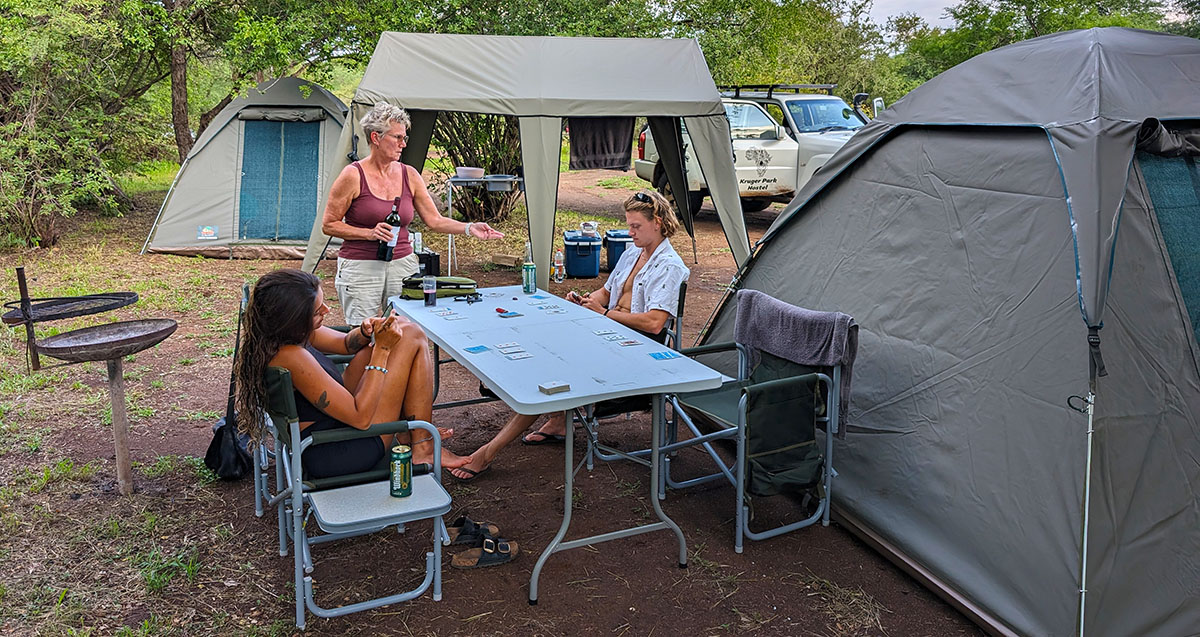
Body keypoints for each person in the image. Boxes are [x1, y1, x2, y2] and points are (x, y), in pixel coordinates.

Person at [450, 191, 689, 480]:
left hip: (636, 349)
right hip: (607, 332)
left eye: (636, 226)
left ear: (658, 223)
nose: (630, 232)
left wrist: (603, 314)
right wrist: (586, 300)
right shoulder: (631, 253)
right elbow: (606, 293)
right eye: (628, 225)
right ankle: (556, 419)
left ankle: (489, 451)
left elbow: (654, 323)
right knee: (541, 336)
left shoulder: (670, 266)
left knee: (551, 370)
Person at [234, 269, 468, 477]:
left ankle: (415, 437)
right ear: (293, 319)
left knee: (405, 328)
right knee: (412, 336)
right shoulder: (291, 356)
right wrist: (382, 349)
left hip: (337, 421)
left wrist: (366, 332)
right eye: (317, 311)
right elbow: (360, 417)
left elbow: (346, 344)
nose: (326, 309)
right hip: (339, 449)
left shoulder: (283, 335)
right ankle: (422, 446)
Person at [322, 102, 504, 326]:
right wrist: (369, 234)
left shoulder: (410, 175)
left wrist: (469, 227)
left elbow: (434, 220)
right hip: (361, 267)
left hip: (402, 265)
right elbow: (329, 224)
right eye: (397, 137)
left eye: (404, 138)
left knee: (404, 333)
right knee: (363, 334)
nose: (403, 144)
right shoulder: (352, 175)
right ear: (376, 138)